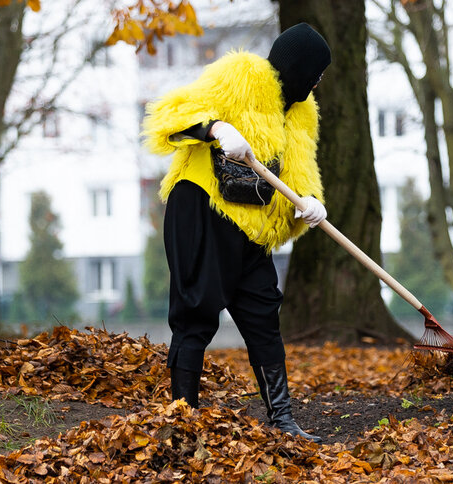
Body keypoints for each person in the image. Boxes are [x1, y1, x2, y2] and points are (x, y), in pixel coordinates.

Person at [141, 23, 331, 443]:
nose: (318, 82)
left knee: (264, 315)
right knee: (196, 315)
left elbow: (301, 173)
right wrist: (216, 129)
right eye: (316, 72)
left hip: (251, 228)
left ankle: (283, 420)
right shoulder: (239, 76)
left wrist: (310, 201)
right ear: (299, 67)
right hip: (201, 209)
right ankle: (184, 421)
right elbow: (169, 116)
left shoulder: (302, 111)